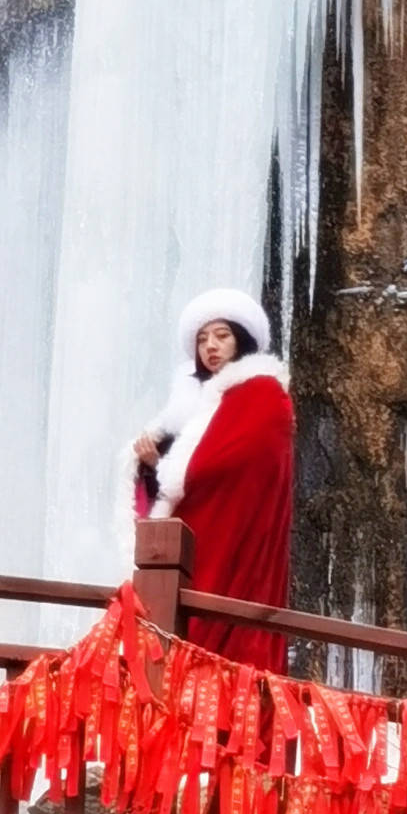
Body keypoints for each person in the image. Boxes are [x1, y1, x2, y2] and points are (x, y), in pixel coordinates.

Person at [129, 284, 294, 672]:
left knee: (220, 631)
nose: (210, 346)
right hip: (196, 537)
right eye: (203, 339)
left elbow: (232, 462)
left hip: (237, 532)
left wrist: (173, 473)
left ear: (242, 340)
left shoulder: (263, 392)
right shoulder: (195, 404)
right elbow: (185, 474)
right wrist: (153, 467)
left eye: (222, 335)